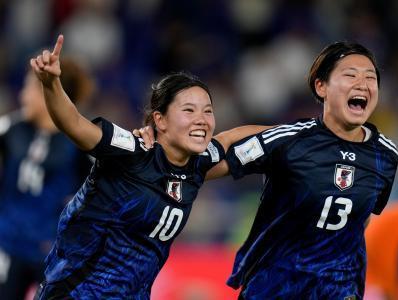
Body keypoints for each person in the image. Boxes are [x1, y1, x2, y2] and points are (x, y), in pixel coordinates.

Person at [139, 41, 398, 299]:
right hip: (276, 286)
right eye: (350, 75)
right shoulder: (289, 141)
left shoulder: (385, 156)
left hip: (338, 289)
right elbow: (208, 167)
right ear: (321, 86)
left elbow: (361, 219)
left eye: (371, 77)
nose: (362, 83)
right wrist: (162, 151)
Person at [30, 35, 270, 299]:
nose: (201, 120)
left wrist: (298, 133)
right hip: (76, 292)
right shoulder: (130, 151)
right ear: (160, 119)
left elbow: (233, 137)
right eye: (189, 111)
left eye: (208, 111)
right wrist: (51, 83)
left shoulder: (197, 165)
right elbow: (74, 123)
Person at [0, 57, 94, 299]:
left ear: (47, 92)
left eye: (28, 88)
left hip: (51, 253)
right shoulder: (11, 128)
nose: (22, 96)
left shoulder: (80, 144)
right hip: (7, 245)